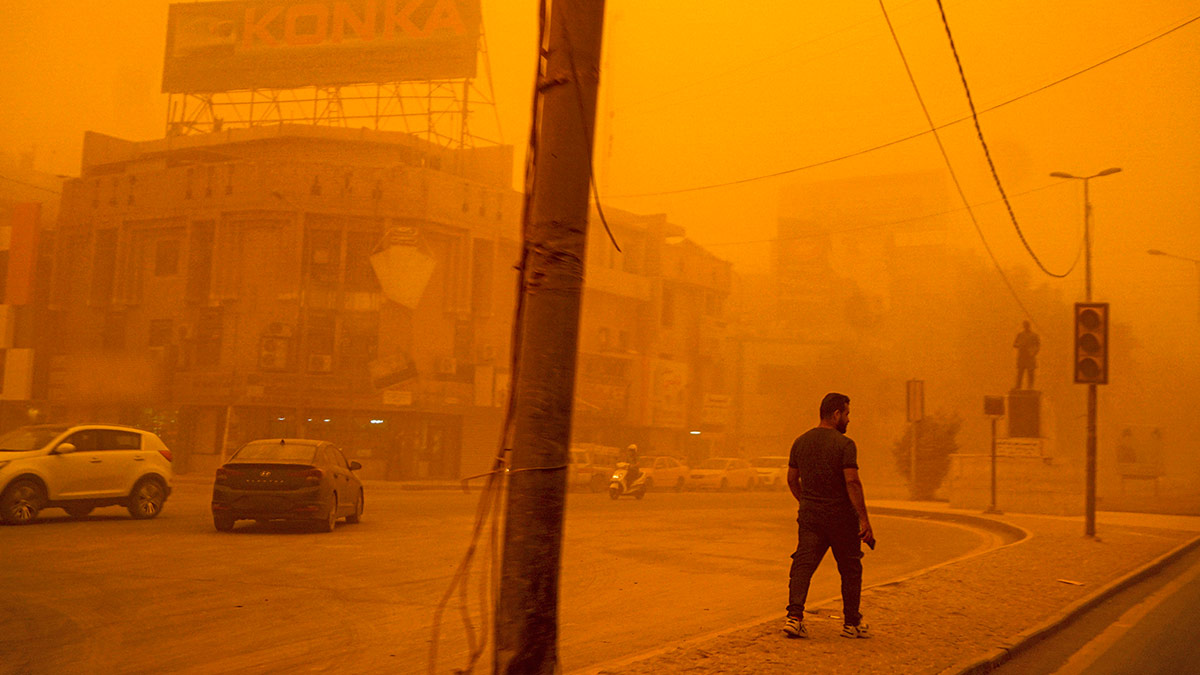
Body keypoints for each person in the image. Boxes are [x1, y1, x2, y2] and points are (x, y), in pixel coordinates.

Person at [783, 392, 874, 640]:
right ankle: (851, 623)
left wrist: (807, 502)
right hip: (842, 518)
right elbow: (852, 482)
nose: (848, 420)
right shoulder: (845, 445)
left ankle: (795, 618)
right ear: (836, 415)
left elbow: (792, 479)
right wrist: (864, 520)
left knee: (803, 565)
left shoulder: (800, 442)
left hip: (811, 517)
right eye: (846, 414)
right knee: (850, 569)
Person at [1013, 321, 1040, 390]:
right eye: (1024, 325)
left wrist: (1033, 352)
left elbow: (1037, 346)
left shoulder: (1034, 335)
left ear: (1029, 326)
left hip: (1030, 356)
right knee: (1020, 372)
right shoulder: (1020, 335)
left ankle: (1030, 386)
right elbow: (1015, 344)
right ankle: (1018, 386)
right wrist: (1020, 345)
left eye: (1027, 325)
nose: (1025, 326)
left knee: (1030, 373)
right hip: (1022, 356)